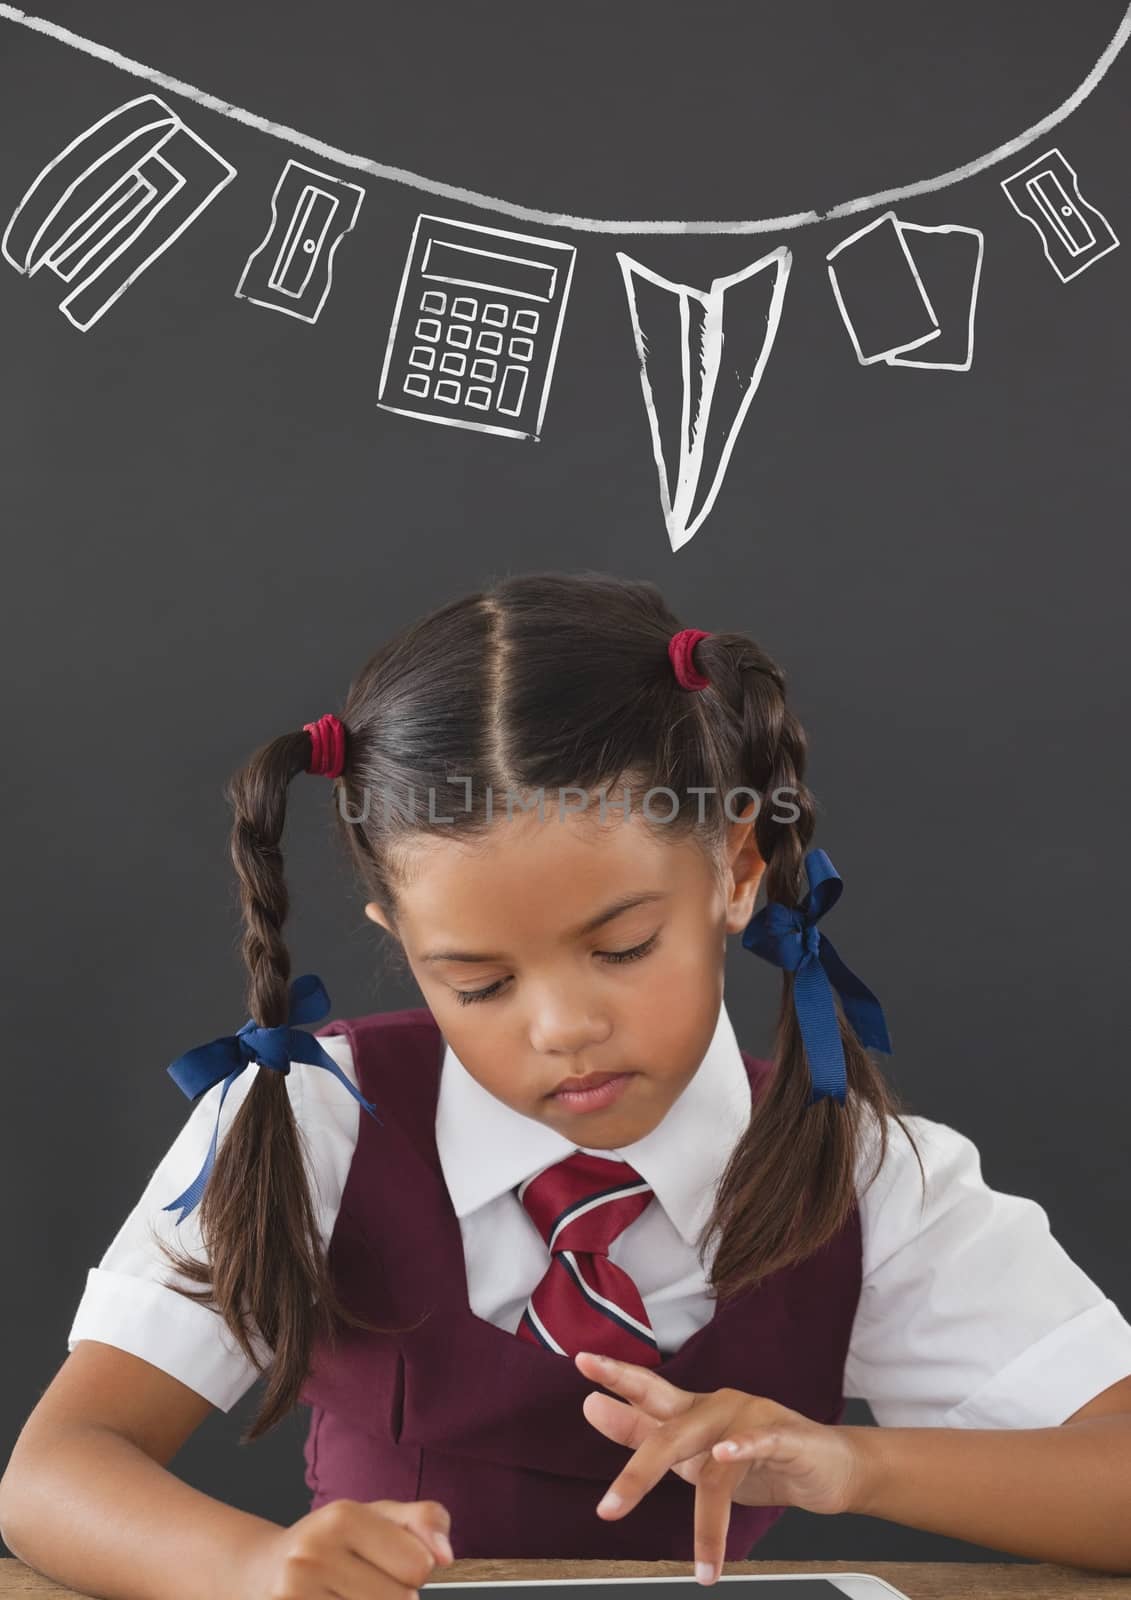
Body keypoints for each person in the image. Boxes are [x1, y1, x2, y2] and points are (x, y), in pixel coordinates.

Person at [5, 570, 1131, 1599]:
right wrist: (251, 1570)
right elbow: (54, 1473)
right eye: (479, 980)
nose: (564, 1027)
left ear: (737, 873)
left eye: (625, 947)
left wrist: (856, 1461)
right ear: (399, 939)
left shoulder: (869, 1175)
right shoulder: (309, 1115)